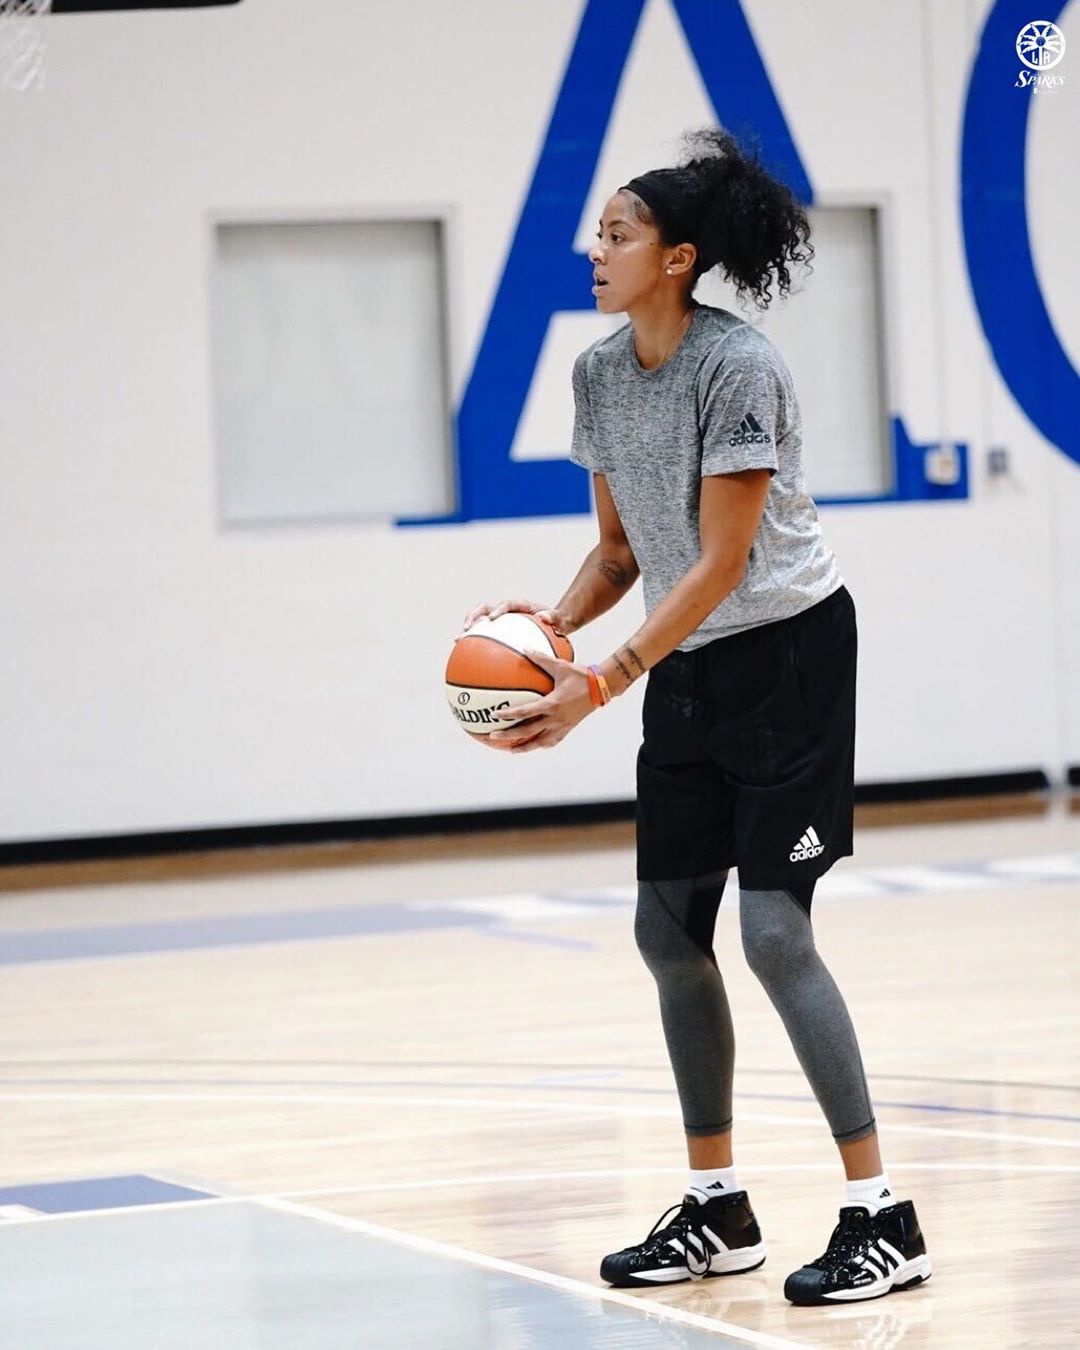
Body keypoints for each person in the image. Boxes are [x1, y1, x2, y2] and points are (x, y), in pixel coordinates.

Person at [461, 126, 931, 1306]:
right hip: (685, 669)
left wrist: (597, 688)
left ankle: (885, 1214)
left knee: (774, 935)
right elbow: (625, 551)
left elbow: (721, 565)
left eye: (616, 234)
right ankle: (717, 1204)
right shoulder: (597, 375)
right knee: (669, 936)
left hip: (788, 660)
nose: (595, 249)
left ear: (676, 257)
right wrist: (554, 634)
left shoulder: (741, 369)